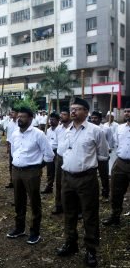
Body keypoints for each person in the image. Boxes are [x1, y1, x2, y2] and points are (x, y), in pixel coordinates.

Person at [56, 98, 108, 267]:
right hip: (67, 177)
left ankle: (91, 249)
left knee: (89, 214)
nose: (73, 112)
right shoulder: (65, 130)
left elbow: (102, 156)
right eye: (72, 109)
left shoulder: (96, 131)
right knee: (69, 213)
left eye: (77, 109)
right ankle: (71, 243)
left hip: (87, 178)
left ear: (86, 112)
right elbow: (61, 152)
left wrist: (97, 176)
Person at [6, 107, 54, 245]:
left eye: (23, 116)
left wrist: (37, 167)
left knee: (34, 201)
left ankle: (35, 232)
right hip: (16, 170)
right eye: (19, 116)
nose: (19, 119)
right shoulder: (15, 133)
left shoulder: (38, 134)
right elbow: (14, 151)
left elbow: (49, 155)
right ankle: (19, 228)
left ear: (31, 118)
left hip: (31, 172)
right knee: (18, 200)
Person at [102, 102, 130, 226]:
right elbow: (114, 143)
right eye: (126, 111)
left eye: (129, 111)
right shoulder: (120, 128)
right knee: (116, 192)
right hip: (121, 163)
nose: (127, 113)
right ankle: (115, 217)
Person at [52, 108, 72, 215]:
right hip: (60, 157)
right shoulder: (58, 129)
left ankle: (73, 207)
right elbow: (56, 143)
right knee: (59, 182)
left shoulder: (74, 128)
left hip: (71, 158)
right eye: (61, 114)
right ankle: (58, 205)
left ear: (69, 116)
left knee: (71, 183)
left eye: (64, 114)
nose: (62, 116)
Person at [91, 111, 114, 202]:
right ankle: (93, 194)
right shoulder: (89, 129)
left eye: (95, 118)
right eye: (92, 118)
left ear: (100, 119)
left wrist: (108, 149)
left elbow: (110, 140)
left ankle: (105, 194)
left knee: (104, 175)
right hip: (92, 155)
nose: (93, 120)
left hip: (102, 156)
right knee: (92, 176)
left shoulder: (106, 129)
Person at [41, 112, 60, 194]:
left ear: (58, 120)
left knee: (58, 171)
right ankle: (49, 187)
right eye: (50, 119)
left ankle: (59, 189)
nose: (51, 121)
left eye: (53, 120)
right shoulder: (47, 130)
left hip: (58, 152)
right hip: (49, 152)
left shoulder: (61, 130)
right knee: (49, 170)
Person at [5, 108, 19, 188]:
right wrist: (8, 146)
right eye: (11, 112)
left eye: (13, 112)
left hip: (19, 147)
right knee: (11, 164)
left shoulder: (20, 122)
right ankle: (12, 181)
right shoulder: (10, 123)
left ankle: (18, 181)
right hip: (12, 147)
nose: (11, 113)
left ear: (17, 114)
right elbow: (8, 136)